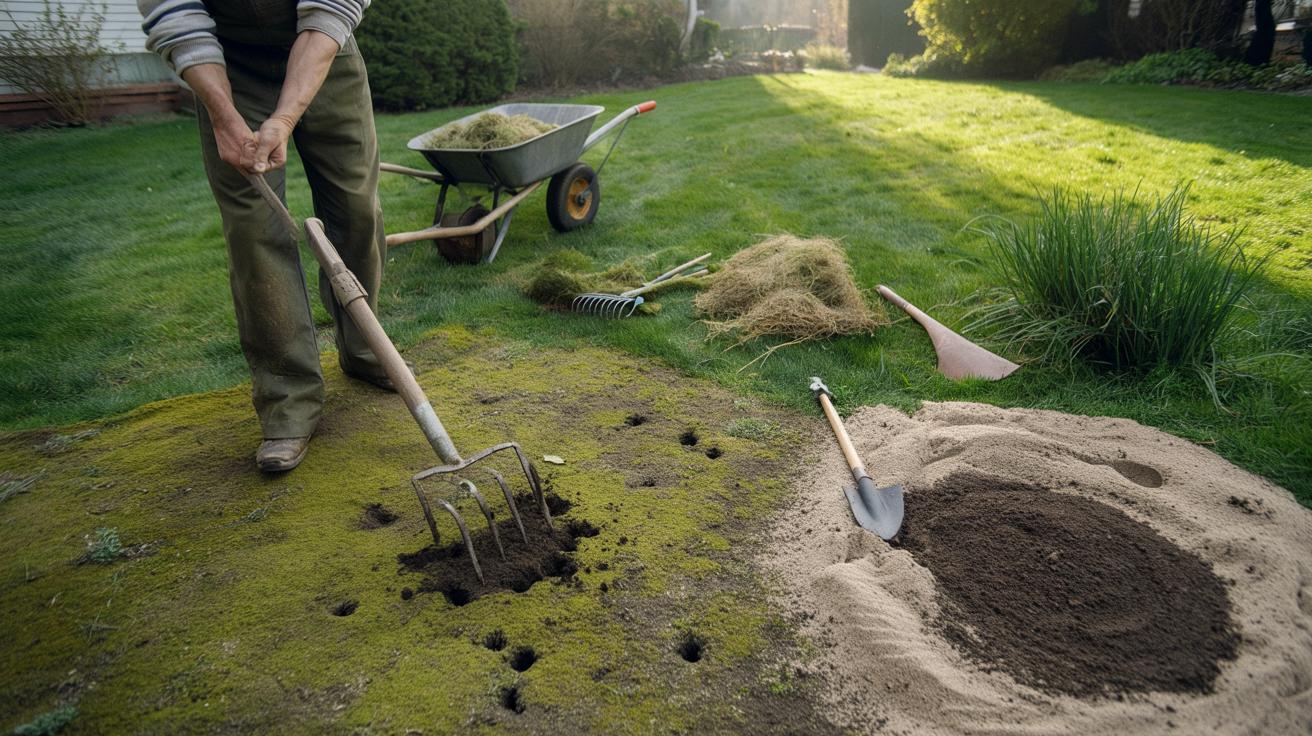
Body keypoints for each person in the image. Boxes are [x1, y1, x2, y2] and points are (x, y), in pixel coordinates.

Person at [138, 0, 394, 472]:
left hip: (325, 47)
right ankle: (288, 402)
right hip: (223, 64)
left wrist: (285, 116)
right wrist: (222, 114)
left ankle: (365, 351)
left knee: (357, 208)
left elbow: (330, 11)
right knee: (254, 230)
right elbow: (175, 16)